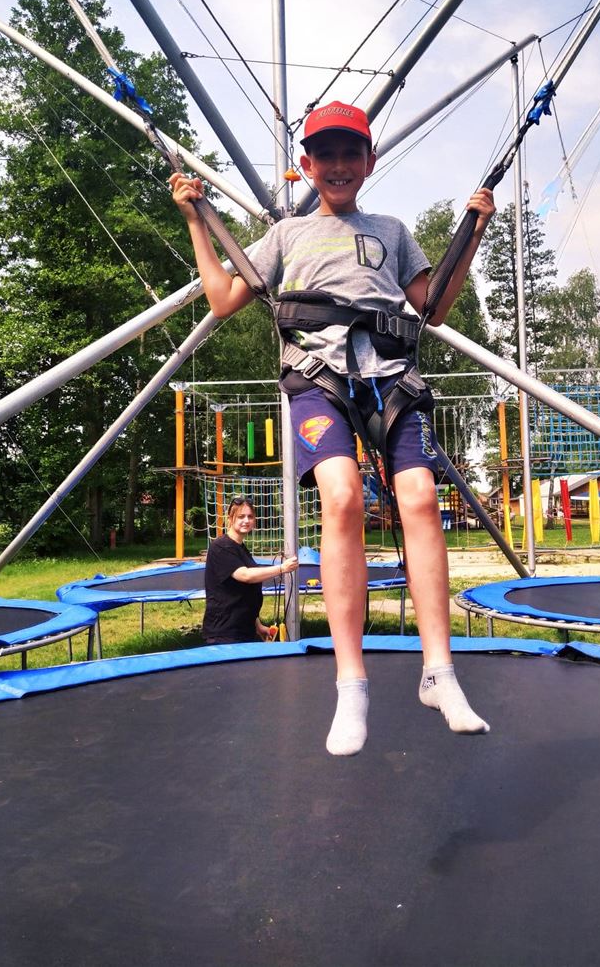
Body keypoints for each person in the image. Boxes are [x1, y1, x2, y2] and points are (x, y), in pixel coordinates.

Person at [171, 100, 495, 755]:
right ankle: (352, 684)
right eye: (327, 155)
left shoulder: (392, 230)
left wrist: (474, 231)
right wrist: (196, 221)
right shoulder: (286, 235)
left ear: (370, 162)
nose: (339, 165)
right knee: (342, 497)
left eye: (352, 153)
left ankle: (440, 672)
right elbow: (224, 298)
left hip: (390, 378)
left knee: (420, 499)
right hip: (318, 379)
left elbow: (432, 307)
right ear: (307, 164)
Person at [203, 495, 298, 645]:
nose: (246, 520)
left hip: (243, 630)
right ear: (230, 518)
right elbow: (245, 575)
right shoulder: (221, 547)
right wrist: (281, 568)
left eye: (250, 516)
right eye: (241, 516)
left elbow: (244, 592)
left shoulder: (240, 548)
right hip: (225, 633)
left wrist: (258, 626)